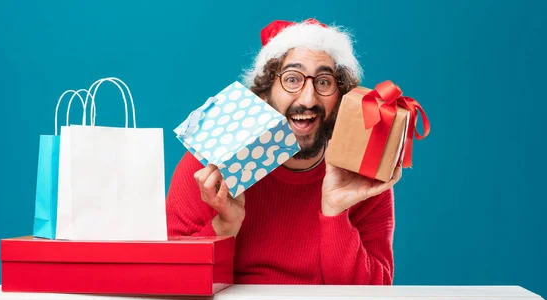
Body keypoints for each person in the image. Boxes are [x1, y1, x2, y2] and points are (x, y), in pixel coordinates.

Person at [166, 18, 401, 285]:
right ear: (265, 93)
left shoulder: (359, 176)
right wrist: (224, 227)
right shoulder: (211, 164)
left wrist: (335, 212)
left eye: (323, 82)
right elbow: (172, 283)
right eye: (292, 79)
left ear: (341, 98)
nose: (308, 99)